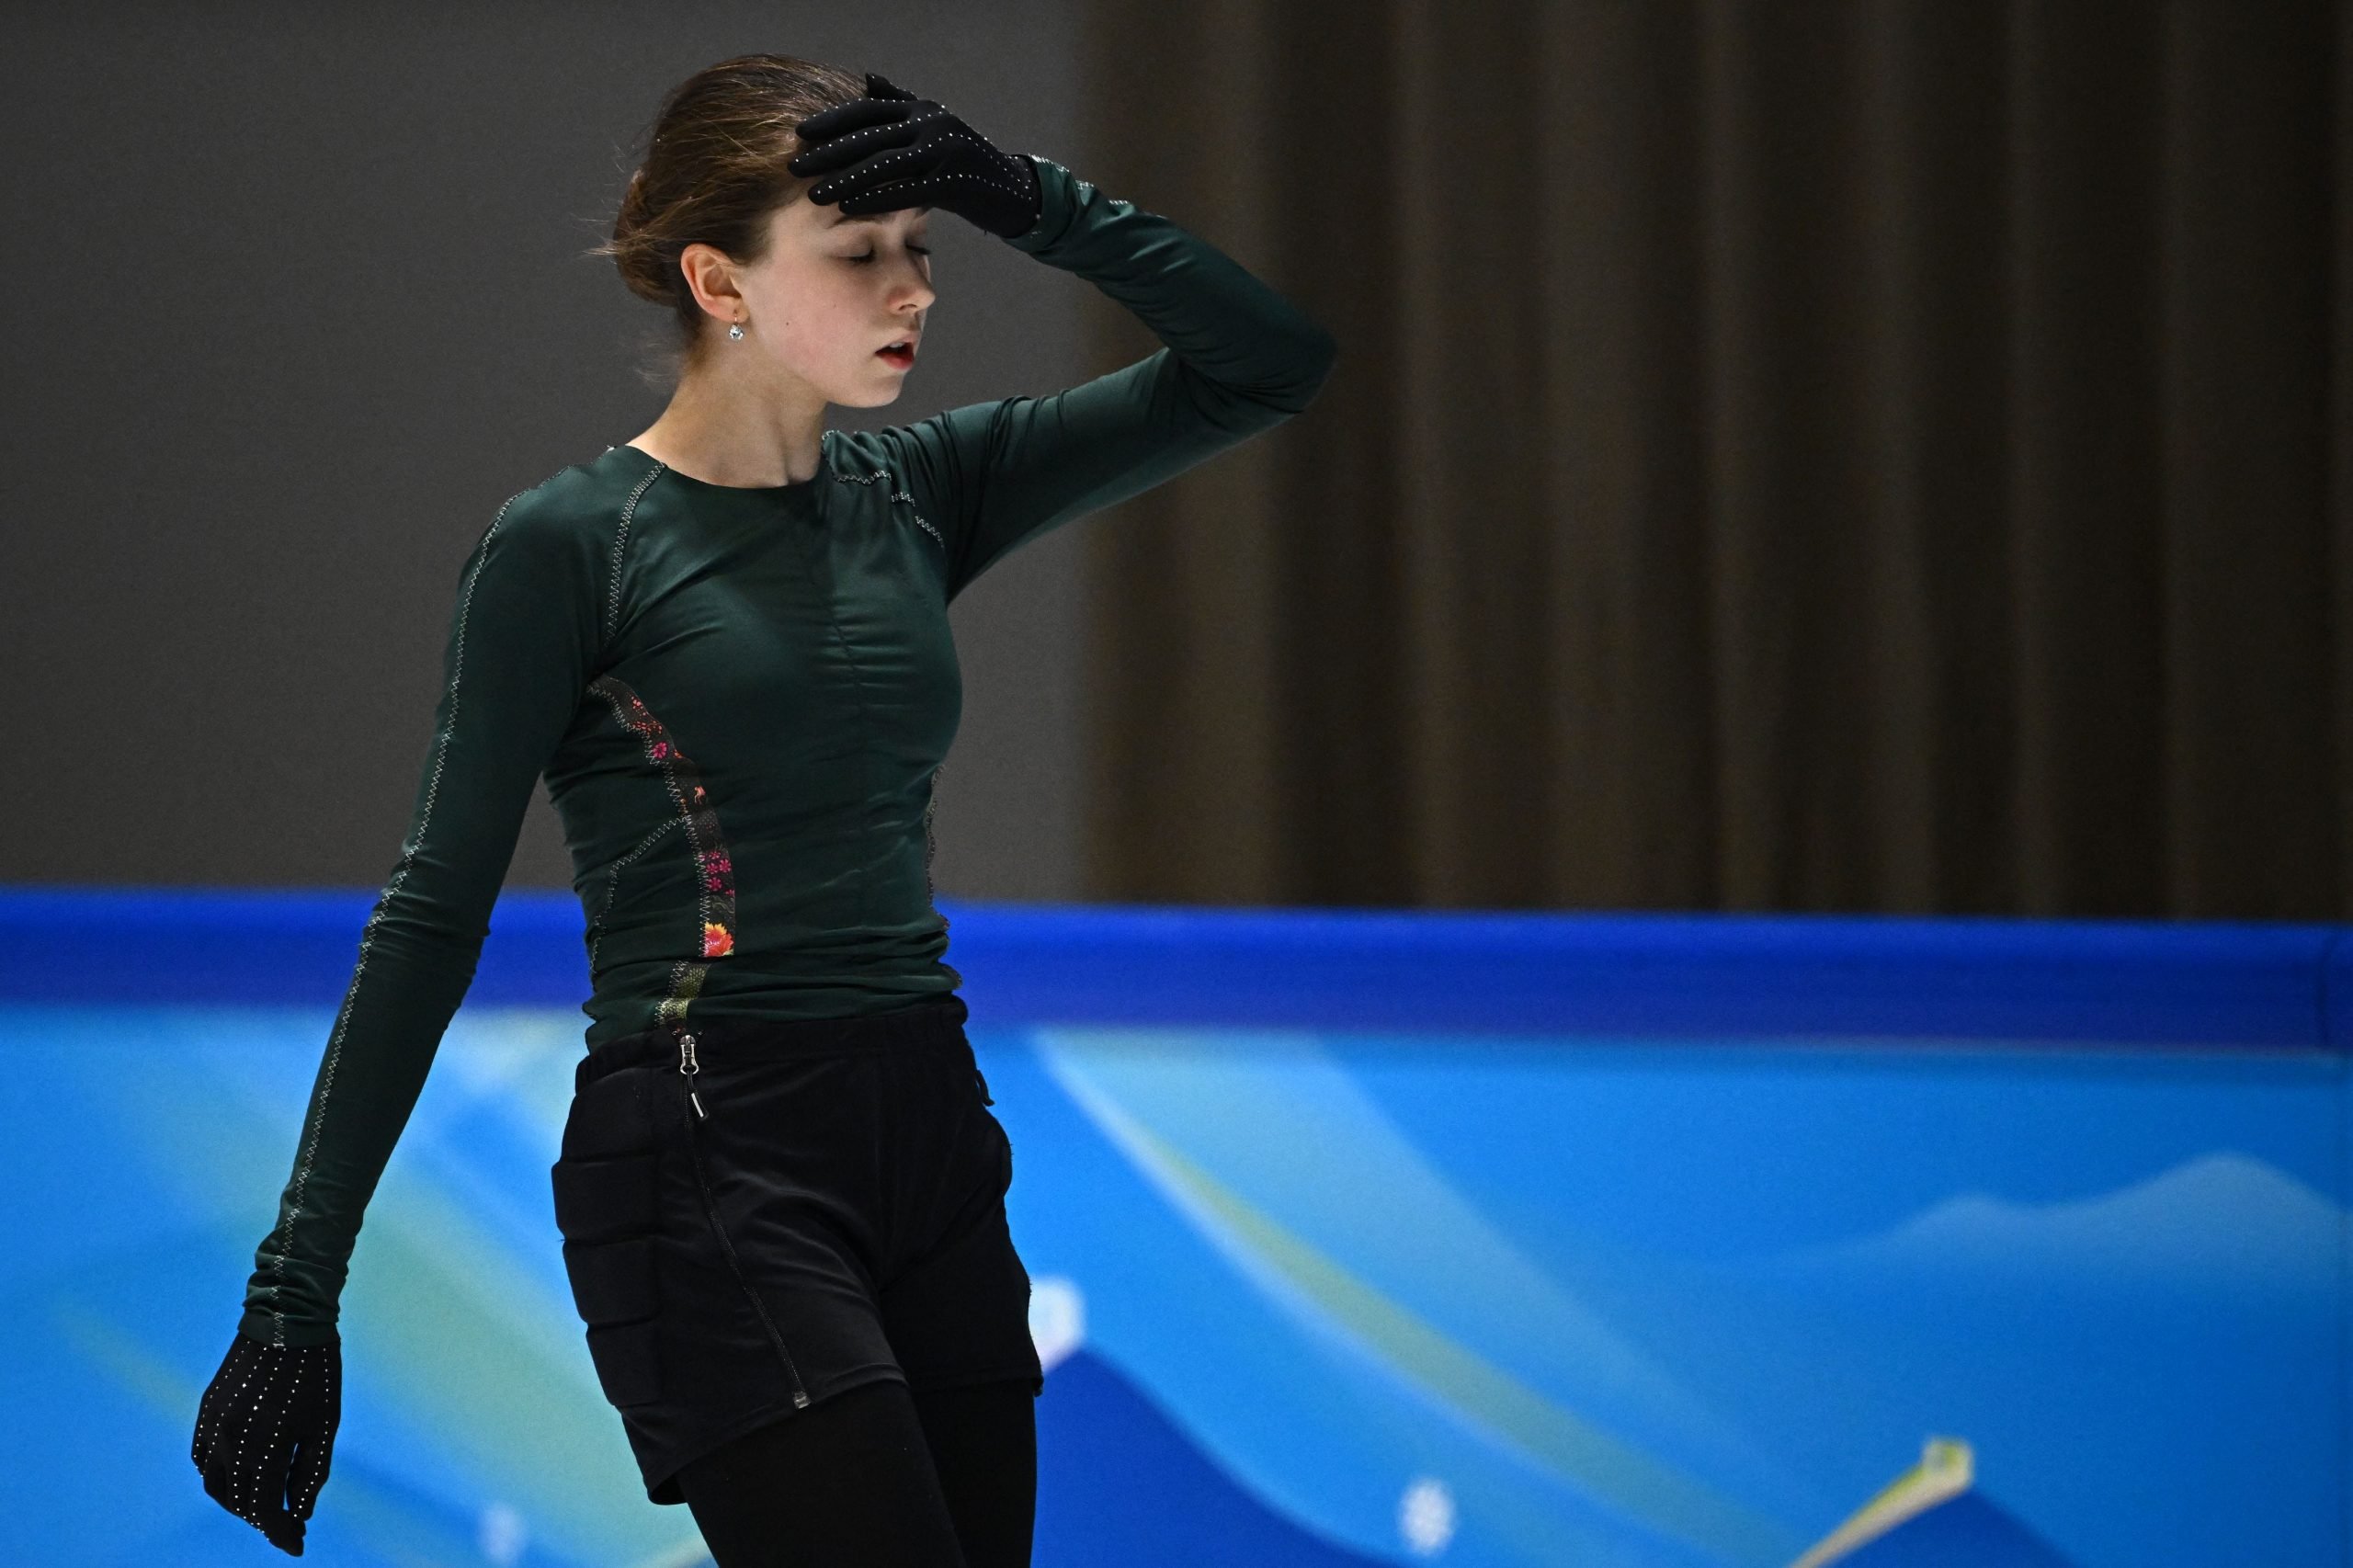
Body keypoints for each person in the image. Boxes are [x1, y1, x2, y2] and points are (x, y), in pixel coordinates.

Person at [188, 53, 1336, 1566]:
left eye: (925, 246)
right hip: (710, 1145)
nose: (915, 288)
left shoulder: (924, 489)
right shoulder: (568, 547)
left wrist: (1035, 202)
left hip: (931, 1126)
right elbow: (431, 913)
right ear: (718, 282)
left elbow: (1270, 361)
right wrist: (295, 1283)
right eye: (859, 254)